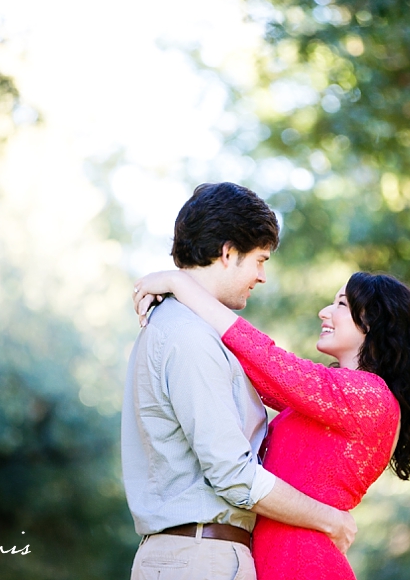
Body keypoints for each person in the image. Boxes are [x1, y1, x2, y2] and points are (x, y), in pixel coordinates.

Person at [132, 268, 410, 580]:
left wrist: (179, 283)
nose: (325, 311)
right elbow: (253, 369)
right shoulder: (333, 399)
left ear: (373, 321)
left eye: (341, 304)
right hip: (275, 559)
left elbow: (265, 358)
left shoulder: (369, 397)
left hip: (303, 564)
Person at [120, 182, 356, 580]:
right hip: (198, 559)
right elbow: (233, 474)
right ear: (228, 253)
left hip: (198, 555)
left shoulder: (190, 328)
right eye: (259, 260)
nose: (262, 276)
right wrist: (329, 519)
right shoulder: (190, 337)